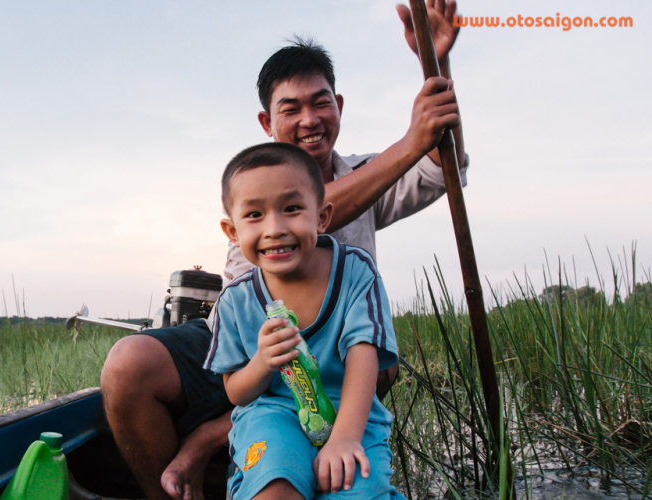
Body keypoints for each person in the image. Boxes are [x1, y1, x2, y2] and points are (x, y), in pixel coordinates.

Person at [100, 2, 465, 499]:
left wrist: (435, 65)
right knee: (128, 365)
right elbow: (306, 208)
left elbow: (444, 167)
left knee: (382, 361)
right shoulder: (255, 182)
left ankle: (215, 438)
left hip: (336, 357)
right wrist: (409, 143)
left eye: (321, 103)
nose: (309, 119)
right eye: (291, 109)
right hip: (249, 347)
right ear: (266, 120)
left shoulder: (366, 173)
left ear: (339, 105)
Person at [207, 142, 404, 500]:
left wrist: (343, 439)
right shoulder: (235, 300)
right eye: (254, 215)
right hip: (275, 413)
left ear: (322, 216)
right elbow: (236, 391)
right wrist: (262, 362)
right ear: (232, 232)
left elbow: (364, 361)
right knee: (274, 489)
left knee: (355, 490)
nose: (275, 228)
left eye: (293, 209)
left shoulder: (356, 273)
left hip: (350, 411)